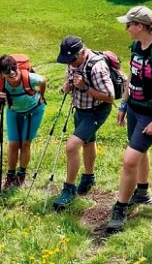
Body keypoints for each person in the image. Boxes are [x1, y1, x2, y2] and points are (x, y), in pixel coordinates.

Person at [106, 6, 152, 233]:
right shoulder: (137, 46)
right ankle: (142, 193)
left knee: (129, 161)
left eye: (129, 25)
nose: (127, 28)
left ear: (141, 26)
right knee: (139, 152)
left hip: (151, 114)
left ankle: (120, 208)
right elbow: (132, 77)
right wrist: (124, 105)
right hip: (134, 109)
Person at [53, 36, 114, 210]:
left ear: (82, 52)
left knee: (72, 146)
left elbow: (109, 97)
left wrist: (85, 87)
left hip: (96, 111)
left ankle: (69, 190)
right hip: (80, 108)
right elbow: (70, 79)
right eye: (67, 60)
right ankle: (88, 178)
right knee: (88, 142)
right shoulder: (72, 61)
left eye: (72, 60)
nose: (70, 64)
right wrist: (67, 86)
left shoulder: (97, 67)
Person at [0, 55, 46, 190]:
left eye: (14, 68)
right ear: (1, 74)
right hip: (13, 112)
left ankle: (21, 174)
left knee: (25, 144)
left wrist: (41, 96)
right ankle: (10, 176)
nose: (12, 73)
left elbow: (43, 81)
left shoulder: (30, 78)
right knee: (13, 144)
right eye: (7, 71)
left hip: (33, 111)